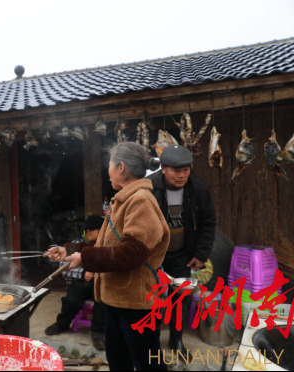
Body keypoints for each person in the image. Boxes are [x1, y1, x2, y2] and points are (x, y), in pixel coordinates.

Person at [46, 142, 170, 371]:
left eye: (110, 165)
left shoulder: (140, 201)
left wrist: (84, 258)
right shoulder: (124, 199)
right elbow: (103, 243)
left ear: (121, 168)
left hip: (136, 304)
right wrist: (71, 250)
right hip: (116, 299)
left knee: (148, 365)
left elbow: (131, 253)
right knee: (119, 362)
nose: (108, 170)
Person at [147, 145, 216, 355]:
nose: (182, 175)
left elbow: (208, 223)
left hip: (182, 255)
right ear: (164, 169)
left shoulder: (198, 189)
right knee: (153, 299)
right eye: (176, 171)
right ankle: (152, 342)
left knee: (181, 298)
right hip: (153, 256)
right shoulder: (149, 188)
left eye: (186, 170)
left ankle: (176, 340)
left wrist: (201, 255)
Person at [44, 215, 106, 350]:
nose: (103, 234)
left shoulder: (105, 245)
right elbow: (64, 269)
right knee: (71, 299)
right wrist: (84, 274)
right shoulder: (76, 244)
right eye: (100, 231)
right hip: (79, 283)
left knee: (102, 299)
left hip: (100, 284)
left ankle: (98, 332)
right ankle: (62, 324)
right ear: (89, 232)